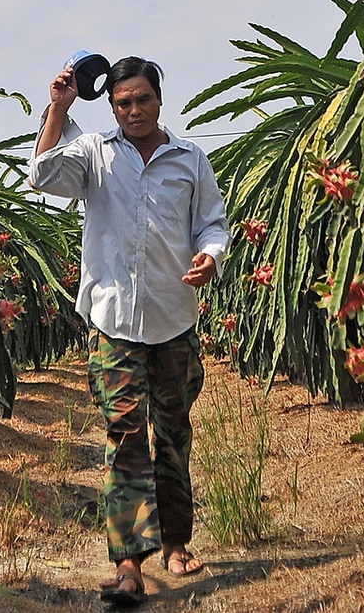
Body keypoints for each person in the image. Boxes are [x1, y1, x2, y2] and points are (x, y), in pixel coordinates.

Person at [30, 56, 230, 606]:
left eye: (142, 99)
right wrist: (59, 107)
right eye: (123, 103)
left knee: (173, 434)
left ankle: (176, 543)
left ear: (160, 99)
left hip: (173, 321)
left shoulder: (189, 160)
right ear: (112, 106)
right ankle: (128, 564)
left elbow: (213, 222)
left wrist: (210, 255)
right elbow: (42, 174)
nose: (134, 110)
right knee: (125, 440)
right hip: (114, 323)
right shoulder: (95, 154)